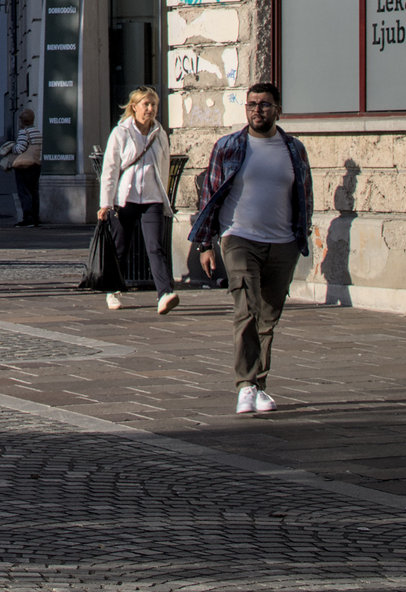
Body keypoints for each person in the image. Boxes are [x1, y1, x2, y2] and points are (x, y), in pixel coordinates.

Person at [189, 82, 314, 415]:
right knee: (246, 308)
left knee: (268, 317)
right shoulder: (229, 146)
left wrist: (302, 237)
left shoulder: (294, 149)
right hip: (239, 238)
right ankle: (244, 385)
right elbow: (209, 197)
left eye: (265, 104)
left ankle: (259, 385)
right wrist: (205, 243)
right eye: (252, 104)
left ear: (278, 110)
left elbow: (304, 195)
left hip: (283, 243)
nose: (257, 110)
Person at [98, 86, 178, 315]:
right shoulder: (121, 132)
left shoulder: (160, 133)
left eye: (153, 105)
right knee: (120, 247)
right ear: (134, 107)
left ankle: (164, 293)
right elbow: (110, 169)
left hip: (152, 198)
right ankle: (113, 290)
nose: (151, 109)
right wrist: (106, 203)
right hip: (125, 199)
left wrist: (164, 198)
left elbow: (164, 166)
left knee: (156, 247)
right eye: (146, 104)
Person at [12, 108, 43, 226]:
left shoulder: (23, 133)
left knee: (24, 191)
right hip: (35, 164)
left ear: (22, 121)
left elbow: (20, 148)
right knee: (34, 191)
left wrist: (12, 148)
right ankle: (35, 216)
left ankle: (27, 217)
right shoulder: (37, 132)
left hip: (23, 166)